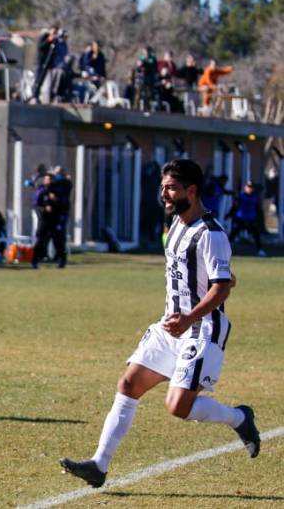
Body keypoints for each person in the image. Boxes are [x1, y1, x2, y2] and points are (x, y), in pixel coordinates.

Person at [60, 159, 261, 488]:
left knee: (177, 406)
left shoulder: (211, 234)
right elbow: (215, 274)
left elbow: (222, 287)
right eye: (162, 187)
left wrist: (191, 315)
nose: (164, 194)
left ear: (191, 191)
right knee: (128, 384)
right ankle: (99, 465)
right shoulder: (175, 225)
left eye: (171, 188)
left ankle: (240, 417)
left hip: (200, 330)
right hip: (170, 326)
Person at [31, 173, 67, 268]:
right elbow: (36, 206)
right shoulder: (41, 191)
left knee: (58, 240)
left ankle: (62, 260)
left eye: (49, 179)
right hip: (44, 220)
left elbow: (63, 205)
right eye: (46, 179)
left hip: (54, 219)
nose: (48, 181)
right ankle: (35, 261)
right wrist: (43, 209)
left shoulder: (57, 191)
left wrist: (56, 200)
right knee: (40, 240)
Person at [228, 181, 265, 256]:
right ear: (245, 187)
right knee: (233, 234)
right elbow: (235, 206)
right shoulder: (240, 196)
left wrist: (259, 219)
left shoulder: (255, 197)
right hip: (240, 218)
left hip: (251, 219)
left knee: (256, 235)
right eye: (248, 187)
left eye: (251, 187)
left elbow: (258, 208)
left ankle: (259, 250)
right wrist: (230, 214)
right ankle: (227, 249)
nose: (250, 189)